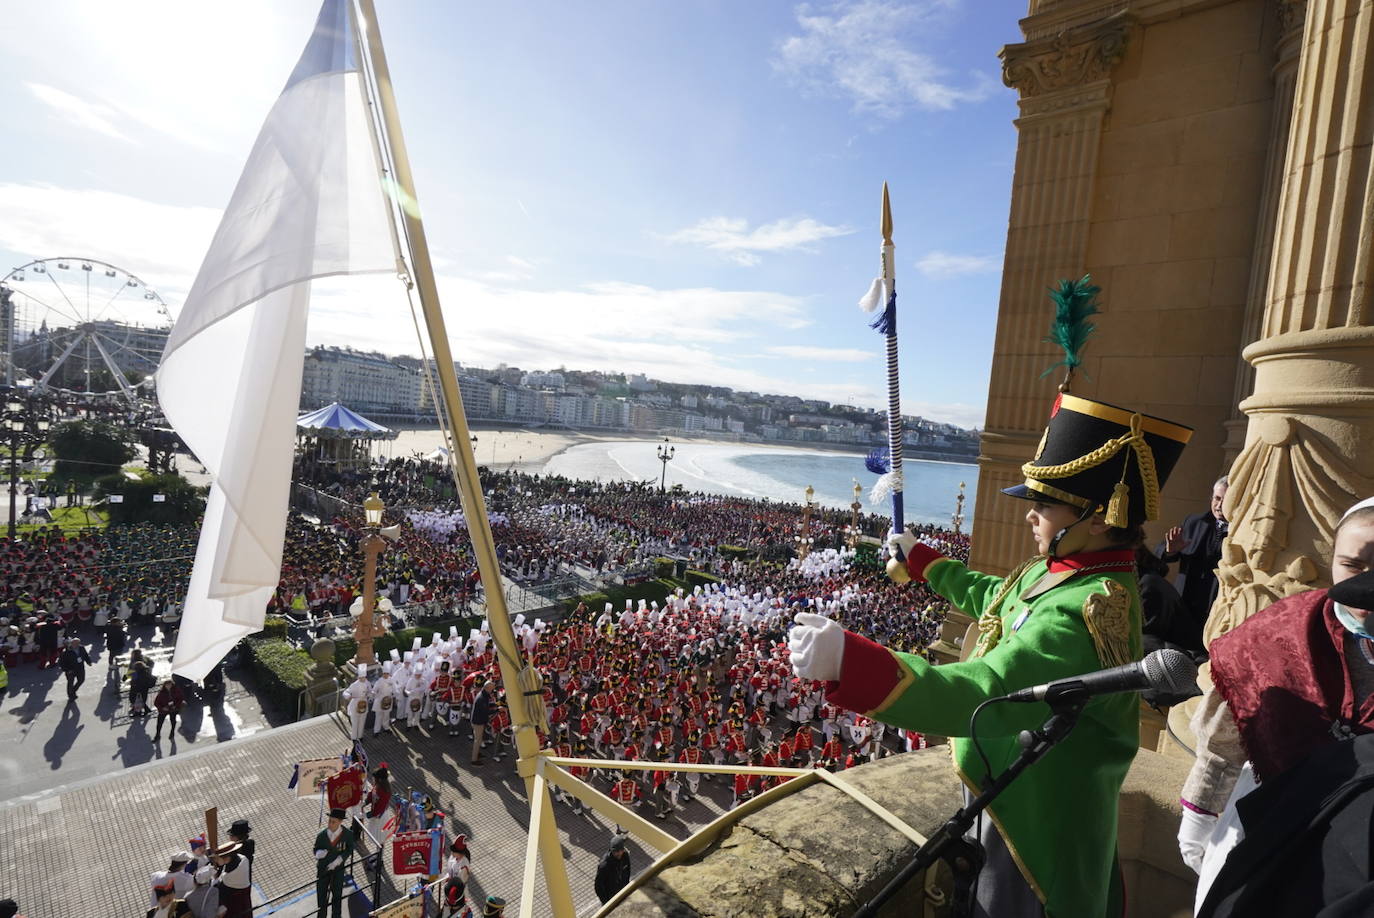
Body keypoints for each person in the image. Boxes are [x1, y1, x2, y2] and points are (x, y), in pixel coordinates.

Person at [790, 391, 1192, 918]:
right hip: (1012, 787)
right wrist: (928, 563)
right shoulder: (1068, 570)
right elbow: (999, 601)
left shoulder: (1085, 609)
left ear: (1099, 517)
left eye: (1044, 505)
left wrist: (855, 662)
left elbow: (990, 690)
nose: (1030, 515)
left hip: (1035, 817)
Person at [1178, 497, 1374, 914]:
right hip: (1265, 818)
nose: (1366, 582)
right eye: (1353, 565)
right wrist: (1198, 818)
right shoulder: (1279, 632)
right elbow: (1223, 741)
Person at [1159, 476, 1229, 644]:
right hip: (1183, 606)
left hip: (1215, 610)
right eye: (1217, 498)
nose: (1219, 505)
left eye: (1225, 500)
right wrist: (1170, 551)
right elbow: (1160, 556)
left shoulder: (1242, 531)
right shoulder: (1194, 522)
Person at [314, 807, 353, 918]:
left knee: (337, 895)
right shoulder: (322, 836)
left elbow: (350, 849)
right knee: (322, 897)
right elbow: (315, 849)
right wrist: (319, 853)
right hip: (323, 870)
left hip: (338, 871)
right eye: (329, 821)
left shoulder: (347, 834)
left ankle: (336, 916)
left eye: (333, 822)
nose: (330, 824)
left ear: (340, 822)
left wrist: (339, 860)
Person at [211, 841, 251, 918]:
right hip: (244, 899)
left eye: (217, 858)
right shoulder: (243, 859)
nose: (216, 860)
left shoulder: (228, 877)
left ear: (227, 858)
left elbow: (218, 887)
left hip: (233, 904)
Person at [594, 834, 631, 905]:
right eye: (616, 851)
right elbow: (598, 886)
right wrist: (606, 902)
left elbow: (628, 872)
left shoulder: (625, 856)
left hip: (623, 893)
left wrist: (626, 888)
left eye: (621, 850)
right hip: (611, 898)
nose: (619, 853)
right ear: (611, 850)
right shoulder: (604, 865)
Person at [154, 678, 187, 742]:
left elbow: (180, 698)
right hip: (163, 710)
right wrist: (162, 708)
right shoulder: (161, 693)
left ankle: (172, 733)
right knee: (159, 723)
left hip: (173, 709)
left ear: (172, 685)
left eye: (169, 684)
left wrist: (176, 705)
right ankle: (157, 735)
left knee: (173, 721)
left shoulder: (176, 690)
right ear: (164, 685)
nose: (168, 686)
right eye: (167, 685)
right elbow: (156, 703)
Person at [470, 679, 491, 765]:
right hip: (478, 722)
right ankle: (474, 760)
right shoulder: (482, 698)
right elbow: (486, 711)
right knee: (477, 740)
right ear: (487, 688)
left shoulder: (482, 694)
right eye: (491, 688)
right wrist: (497, 710)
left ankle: (477, 753)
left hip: (478, 720)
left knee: (478, 739)